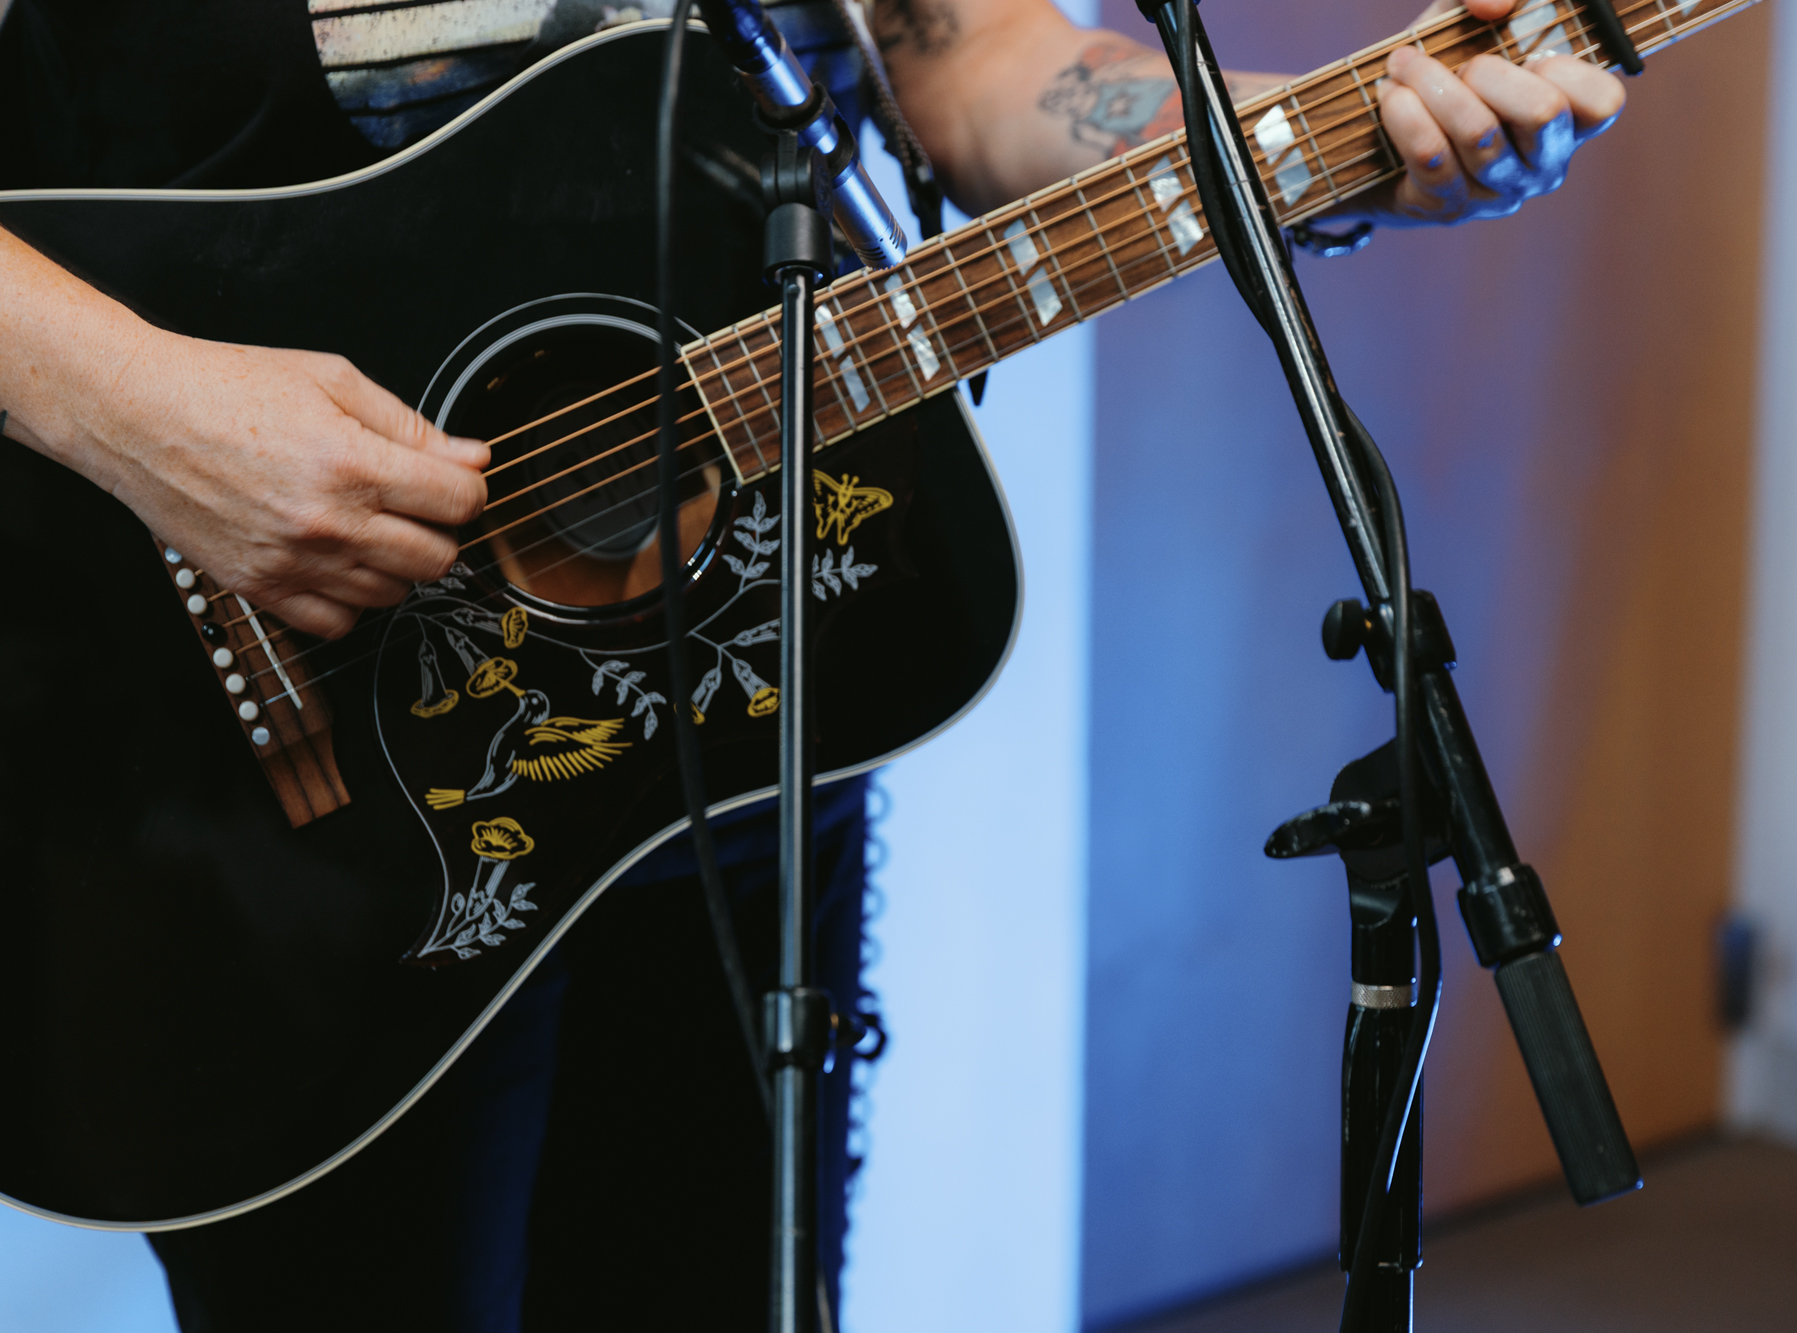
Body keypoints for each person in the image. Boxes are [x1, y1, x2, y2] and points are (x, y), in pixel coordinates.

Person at [0, 0, 1622, 1327]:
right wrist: (140, 409)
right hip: (241, 740)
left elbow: (967, 60)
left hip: (732, 722)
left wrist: (1311, 147)